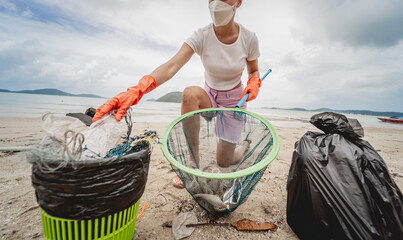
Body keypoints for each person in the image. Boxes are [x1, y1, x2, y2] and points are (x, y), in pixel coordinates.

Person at [93, 0, 261, 188]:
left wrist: (254, 81)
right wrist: (138, 90)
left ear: (238, 2)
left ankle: (243, 146)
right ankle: (192, 163)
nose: (217, 2)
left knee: (224, 161)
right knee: (189, 94)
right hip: (209, 97)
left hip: (235, 101)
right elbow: (172, 66)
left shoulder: (249, 38)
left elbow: (253, 70)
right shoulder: (201, 35)